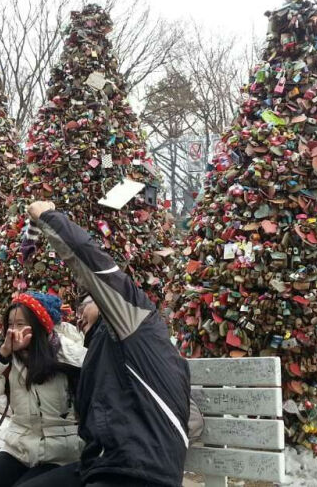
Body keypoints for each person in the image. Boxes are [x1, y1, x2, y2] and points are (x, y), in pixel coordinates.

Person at [18, 201, 193, 487]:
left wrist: (48, 218)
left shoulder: (134, 319)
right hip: (103, 463)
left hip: (138, 471)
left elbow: (93, 265)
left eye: (84, 302)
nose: (77, 313)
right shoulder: (107, 346)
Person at [0, 291, 85, 487]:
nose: (14, 330)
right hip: (20, 449)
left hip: (63, 454)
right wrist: (3, 352)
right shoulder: (10, 358)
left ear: (40, 325)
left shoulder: (69, 354)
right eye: (10, 325)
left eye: (20, 324)